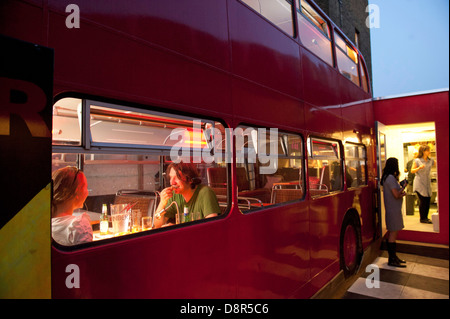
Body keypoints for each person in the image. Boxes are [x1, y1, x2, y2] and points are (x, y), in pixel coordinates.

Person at [154, 162, 221, 228]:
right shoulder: (174, 195)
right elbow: (157, 225)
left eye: (177, 177)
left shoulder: (205, 193)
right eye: (171, 177)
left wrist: (176, 228)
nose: (172, 182)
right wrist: (162, 203)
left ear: (189, 179)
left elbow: (212, 227)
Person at [51, 166, 93, 246]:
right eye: (85, 187)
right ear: (77, 191)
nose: (87, 192)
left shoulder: (44, 223)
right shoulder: (79, 226)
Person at [381, 157, 407, 267]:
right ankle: (392, 259)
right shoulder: (391, 178)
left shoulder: (387, 178)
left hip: (392, 209)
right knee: (393, 233)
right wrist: (403, 187)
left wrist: (401, 192)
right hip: (393, 211)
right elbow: (396, 195)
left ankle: (394, 257)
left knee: (393, 233)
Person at [410, 145, 435, 224]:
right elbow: (412, 171)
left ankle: (426, 218)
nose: (429, 152)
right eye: (428, 150)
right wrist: (419, 168)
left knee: (428, 200)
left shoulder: (431, 160)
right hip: (419, 183)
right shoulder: (417, 160)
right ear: (423, 151)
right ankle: (422, 218)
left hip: (427, 183)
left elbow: (440, 164)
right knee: (423, 201)